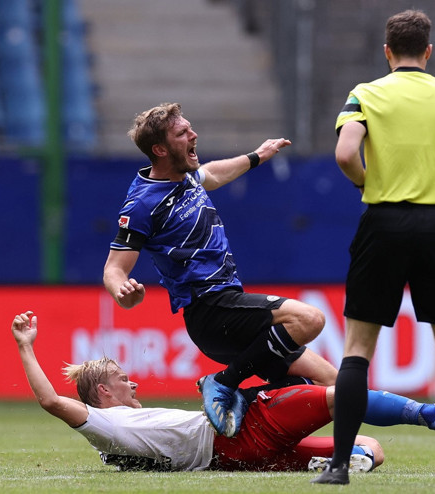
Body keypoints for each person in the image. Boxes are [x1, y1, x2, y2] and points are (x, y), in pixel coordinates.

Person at [312, 9, 435, 486]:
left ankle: (337, 468)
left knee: (357, 351)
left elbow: (344, 154)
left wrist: (369, 181)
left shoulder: (365, 94)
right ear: (429, 51)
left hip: (383, 221)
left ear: (387, 51)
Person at [102, 102, 331, 439]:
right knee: (309, 319)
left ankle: (246, 407)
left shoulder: (187, 176)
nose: (194, 135)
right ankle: (224, 383)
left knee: (329, 384)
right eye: (182, 133)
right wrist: (123, 291)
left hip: (229, 305)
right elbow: (113, 269)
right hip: (210, 309)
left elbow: (216, 173)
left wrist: (257, 156)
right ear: (160, 149)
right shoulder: (142, 203)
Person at [11, 310, 435, 473]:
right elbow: (51, 401)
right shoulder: (105, 424)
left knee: (373, 449)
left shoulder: (118, 441)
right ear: (102, 394)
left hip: (236, 459)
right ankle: (429, 416)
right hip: (237, 435)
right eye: (123, 380)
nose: (134, 382)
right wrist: (25, 346)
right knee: (341, 390)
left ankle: (335, 456)